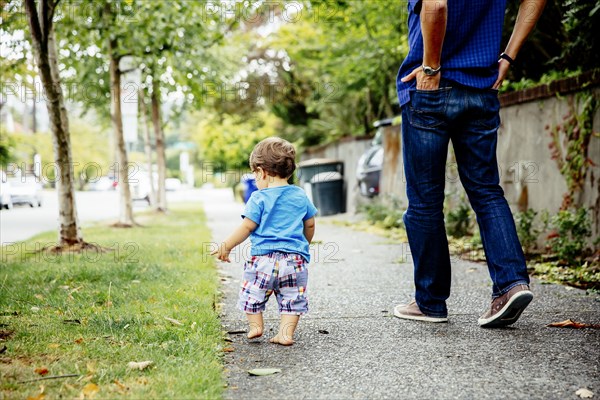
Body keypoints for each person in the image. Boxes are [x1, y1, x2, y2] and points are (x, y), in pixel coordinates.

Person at [394, 0, 546, 327]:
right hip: (481, 88)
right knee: (487, 192)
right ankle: (511, 284)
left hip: (431, 88)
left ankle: (430, 302)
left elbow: (435, 5)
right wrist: (508, 57)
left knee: (425, 201)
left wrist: (432, 68)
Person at [212, 137, 317, 345]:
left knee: (252, 293)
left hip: (263, 260)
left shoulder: (258, 198)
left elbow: (246, 227)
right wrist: (303, 244)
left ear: (261, 172)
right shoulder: (299, 195)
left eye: (254, 174)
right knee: (292, 299)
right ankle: (285, 334)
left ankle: (256, 326)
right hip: (294, 261)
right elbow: (310, 224)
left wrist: (226, 245)